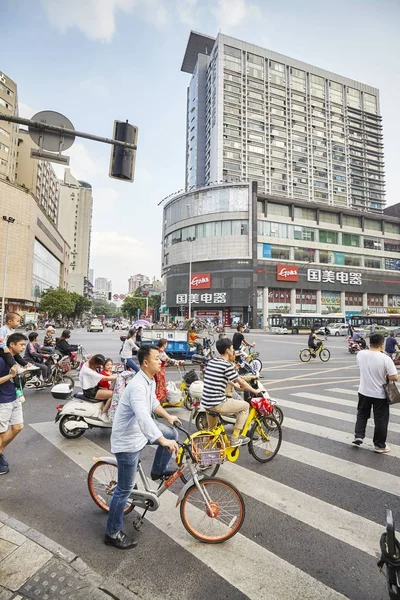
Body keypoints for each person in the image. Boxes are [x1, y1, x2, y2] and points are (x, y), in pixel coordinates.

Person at [105, 345, 180, 549]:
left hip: (139, 432)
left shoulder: (149, 379)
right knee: (124, 489)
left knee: (172, 433)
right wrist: (161, 441)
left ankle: (158, 471)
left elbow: (153, 403)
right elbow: (143, 416)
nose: (160, 361)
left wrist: (168, 417)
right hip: (128, 441)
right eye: (157, 358)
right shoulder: (138, 385)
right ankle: (111, 533)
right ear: (145, 362)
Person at [202, 337, 260, 447]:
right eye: (232, 348)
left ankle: (204, 454)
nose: (234, 350)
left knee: (211, 431)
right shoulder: (226, 365)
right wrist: (255, 390)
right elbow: (242, 382)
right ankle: (235, 438)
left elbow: (222, 376)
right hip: (218, 403)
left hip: (206, 403)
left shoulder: (212, 361)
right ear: (228, 350)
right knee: (245, 407)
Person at [352, 333, 398, 453]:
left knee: (362, 414)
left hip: (363, 392)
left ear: (369, 342)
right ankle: (379, 445)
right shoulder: (385, 359)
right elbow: (394, 377)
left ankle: (358, 436)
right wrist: (386, 376)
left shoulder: (361, 354)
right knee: (380, 420)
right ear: (382, 344)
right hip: (380, 395)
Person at [0, 333, 29, 475]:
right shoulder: (1, 360)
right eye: (21, 345)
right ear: (12, 345)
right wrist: (10, 376)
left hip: (15, 397)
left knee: (18, 427)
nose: (24, 348)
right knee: (1, 433)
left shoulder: (15, 359)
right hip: (2, 401)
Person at [79, 355, 117, 422]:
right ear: (95, 363)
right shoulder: (87, 370)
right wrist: (119, 377)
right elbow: (105, 378)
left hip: (95, 387)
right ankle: (103, 414)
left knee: (111, 390)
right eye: (99, 365)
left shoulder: (89, 362)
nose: (99, 367)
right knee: (114, 394)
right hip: (91, 391)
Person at [154, 338, 181, 403]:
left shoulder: (158, 351)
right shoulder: (161, 352)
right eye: (166, 343)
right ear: (164, 344)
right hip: (159, 372)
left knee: (158, 386)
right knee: (160, 386)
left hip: (158, 370)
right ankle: (158, 401)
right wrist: (175, 362)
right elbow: (168, 360)